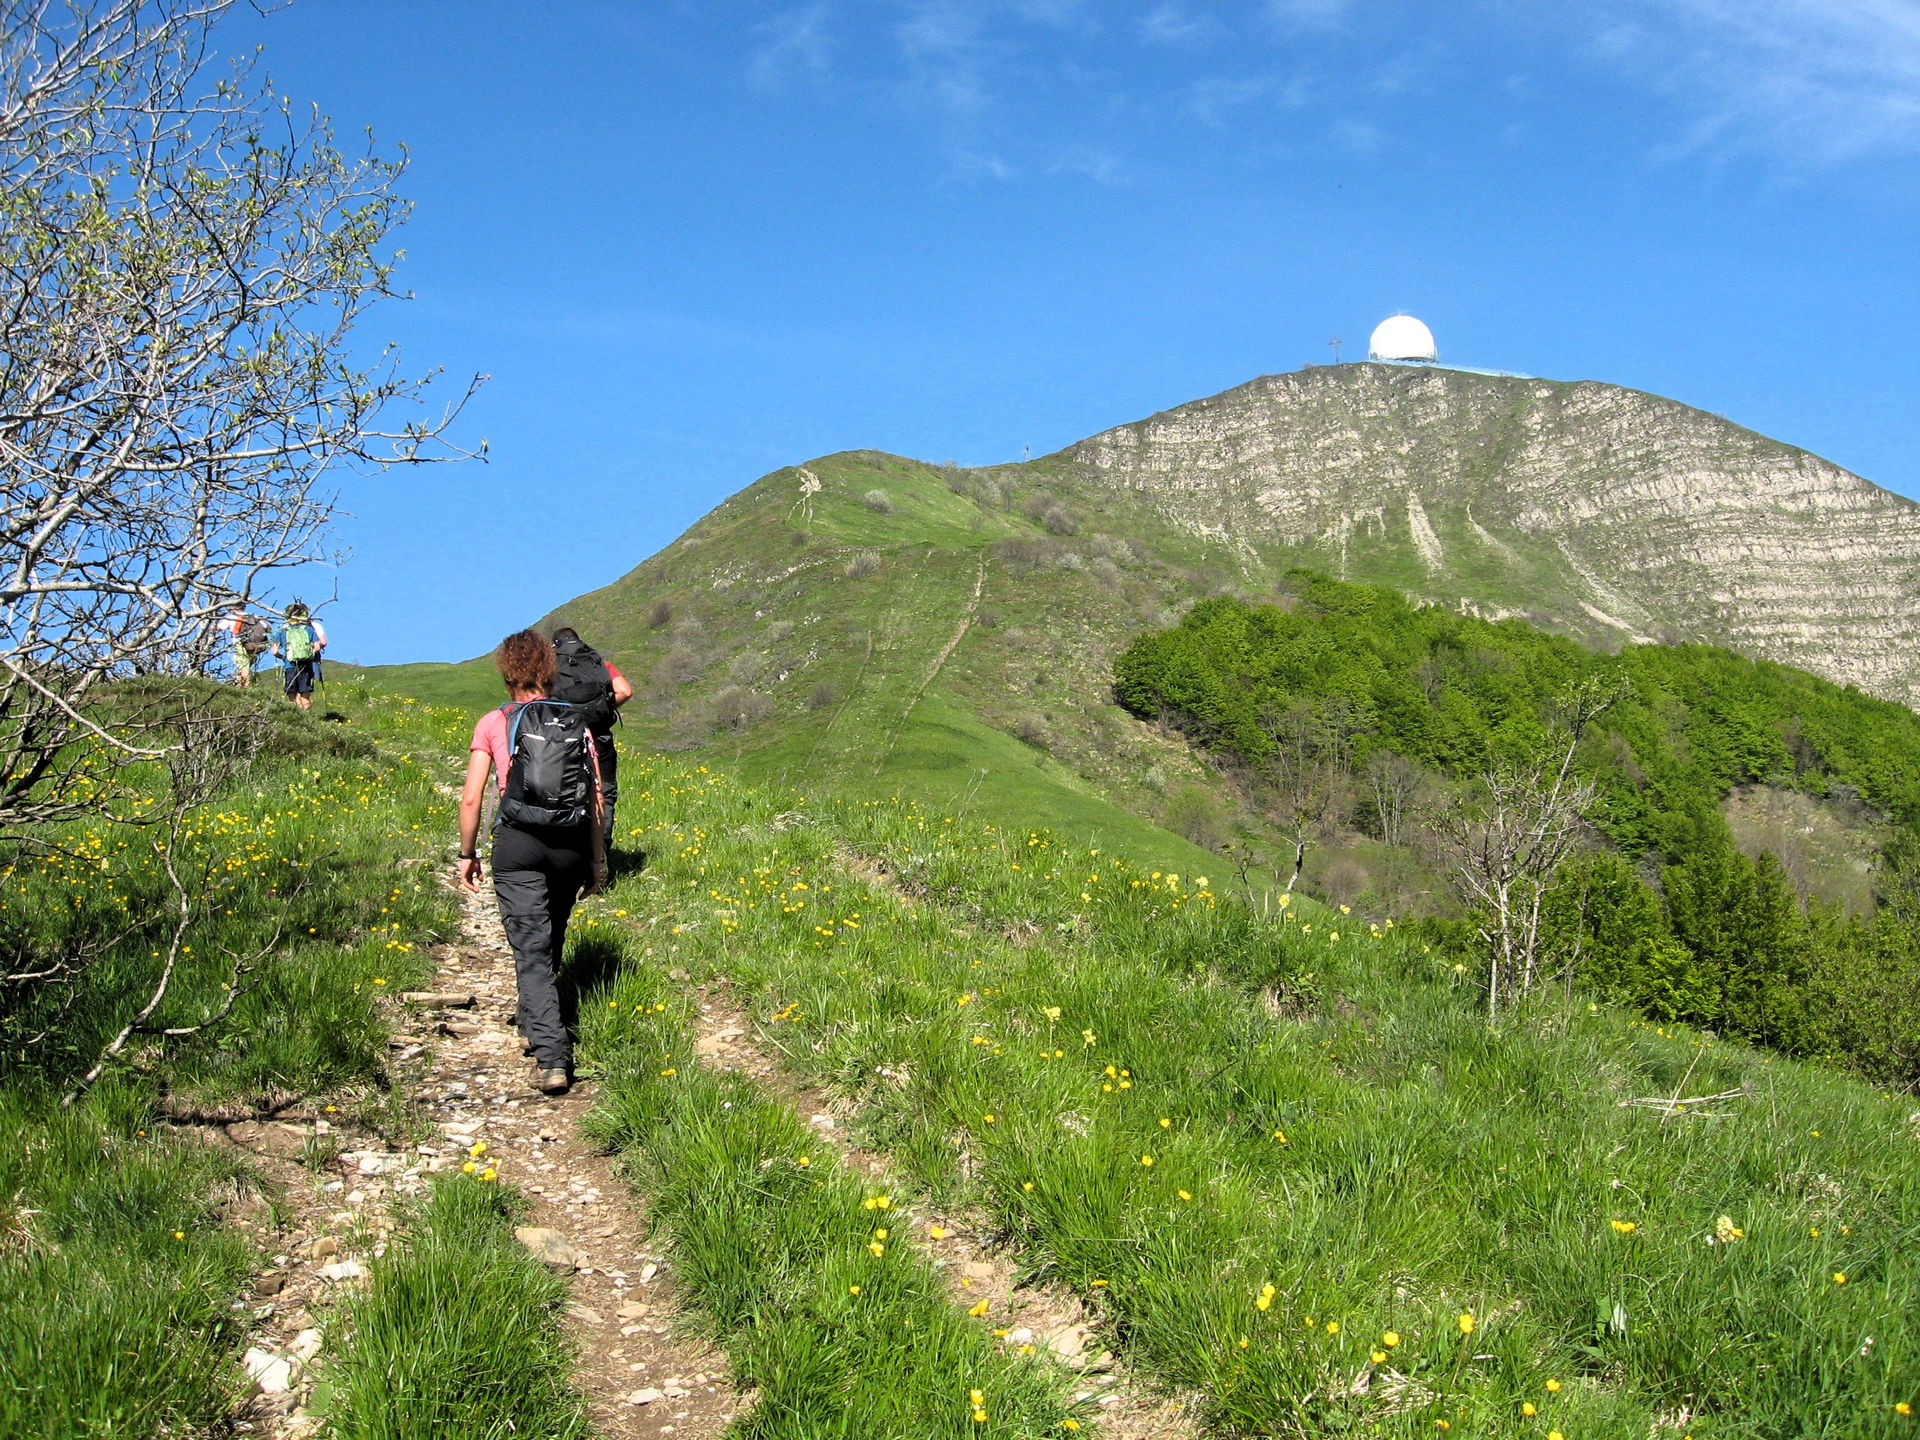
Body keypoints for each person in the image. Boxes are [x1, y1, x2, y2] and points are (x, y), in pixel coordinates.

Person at [457, 630, 606, 1095]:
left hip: (518, 844)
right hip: (569, 844)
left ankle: (551, 1055)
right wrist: (597, 861)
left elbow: (471, 798)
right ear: (550, 672)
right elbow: (597, 799)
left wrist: (467, 854)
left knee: (531, 951)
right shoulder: (577, 722)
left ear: (507, 675)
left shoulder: (493, 722)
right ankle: (534, 1018)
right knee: (551, 935)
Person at [550, 625, 633, 851]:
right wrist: (602, 708)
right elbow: (625, 691)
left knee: (563, 791)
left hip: (564, 739)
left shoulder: (550, 667)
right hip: (600, 737)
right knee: (605, 792)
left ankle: (566, 852)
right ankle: (602, 852)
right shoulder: (598, 662)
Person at [271, 602, 329, 711]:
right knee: (305, 696)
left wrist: (283, 657)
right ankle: (307, 716)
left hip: (289, 666)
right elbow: (317, 647)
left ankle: (294, 716)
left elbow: (274, 651)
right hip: (306, 666)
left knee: (292, 697)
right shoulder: (309, 629)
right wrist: (309, 654)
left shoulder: (282, 630)